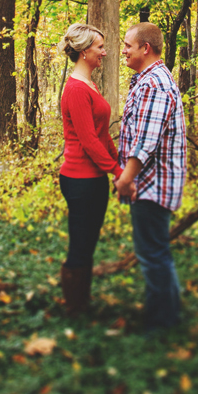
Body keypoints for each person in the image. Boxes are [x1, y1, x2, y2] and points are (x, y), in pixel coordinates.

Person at [116, 21, 187, 332]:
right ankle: (167, 313)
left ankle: (162, 324)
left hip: (151, 185)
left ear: (145, 48)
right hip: (153, 183)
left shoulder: (153, 84)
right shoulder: (150, 80)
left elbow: (146, 141)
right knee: (156, 251)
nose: (123, 51)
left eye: (128, 45)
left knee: (153, 254)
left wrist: (126, 178)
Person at [58, 22, 120, 315]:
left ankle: (81, 302)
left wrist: (118, 164)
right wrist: (118, 172)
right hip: (80, 179)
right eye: (99, 47)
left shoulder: (89, 85)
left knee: (89, 240)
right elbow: (89, 141)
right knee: (81, 244)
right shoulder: (75, 90)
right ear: (84, 52)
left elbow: (103, 134)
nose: (104, 53)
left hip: (94, 179)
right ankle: (74, 308)